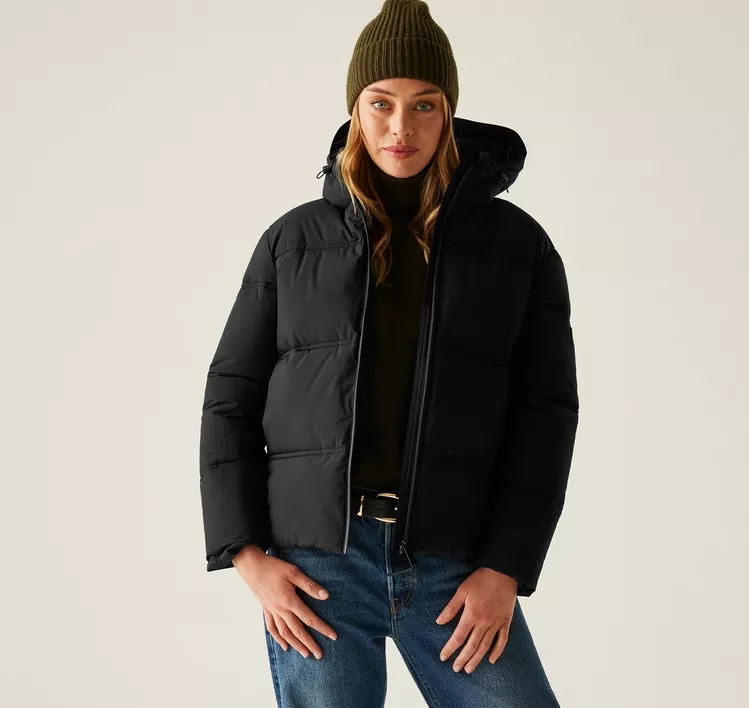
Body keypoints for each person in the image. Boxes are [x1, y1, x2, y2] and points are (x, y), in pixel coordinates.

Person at [198, 1, 579, 705]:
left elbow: (546, 415)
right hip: (320, 569)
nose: (401, 127)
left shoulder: (517, 247)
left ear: (449, 114)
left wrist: (505, 567)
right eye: (381, 103)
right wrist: (246, 556)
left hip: (455, 565)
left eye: (424, 105)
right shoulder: (292, 243)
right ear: (355, 110)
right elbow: (231, 396)